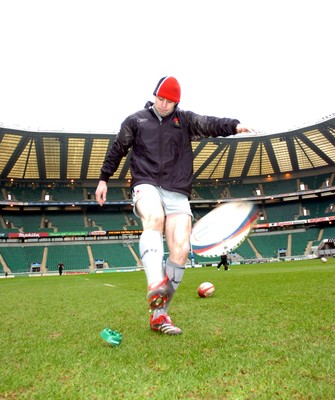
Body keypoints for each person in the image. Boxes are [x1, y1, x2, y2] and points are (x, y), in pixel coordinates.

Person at [95, 76, 258, 335]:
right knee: (154, 219)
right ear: (154, 95)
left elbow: (210, 123)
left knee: (181, 250)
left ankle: (159, 316)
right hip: (146, 183)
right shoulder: (136, 120)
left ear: (176, 103)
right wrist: (104, 179)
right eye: (160, 98)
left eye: (169, 101)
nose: (163, 104)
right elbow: (118, 148)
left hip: (177, 189)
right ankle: (154, 284)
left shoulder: (185, 122)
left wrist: (234, 125)